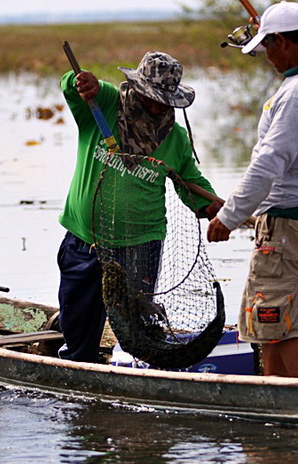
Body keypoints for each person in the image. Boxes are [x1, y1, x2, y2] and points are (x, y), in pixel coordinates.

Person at [207, 1, 298, 378]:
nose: (267, 56)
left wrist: (228, 217)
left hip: (287, 227)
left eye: (268, 47)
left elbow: (270, 162)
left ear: (283, 41)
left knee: (280, 327)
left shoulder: (297, 93)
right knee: (266, 328)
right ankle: (274, 401)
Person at [58, 51, 222, 363]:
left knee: (139, 325)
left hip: (140, 245)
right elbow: (72, 86)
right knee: (79, 317)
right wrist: (82, 81)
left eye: (164, 101)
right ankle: (78, 369)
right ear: (136, 89)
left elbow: (190, 180)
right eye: (150, 98)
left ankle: (141, 376)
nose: (157, 106)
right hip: (85, 239)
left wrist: (213, 207)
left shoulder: (174, 137)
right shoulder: (103, 106)